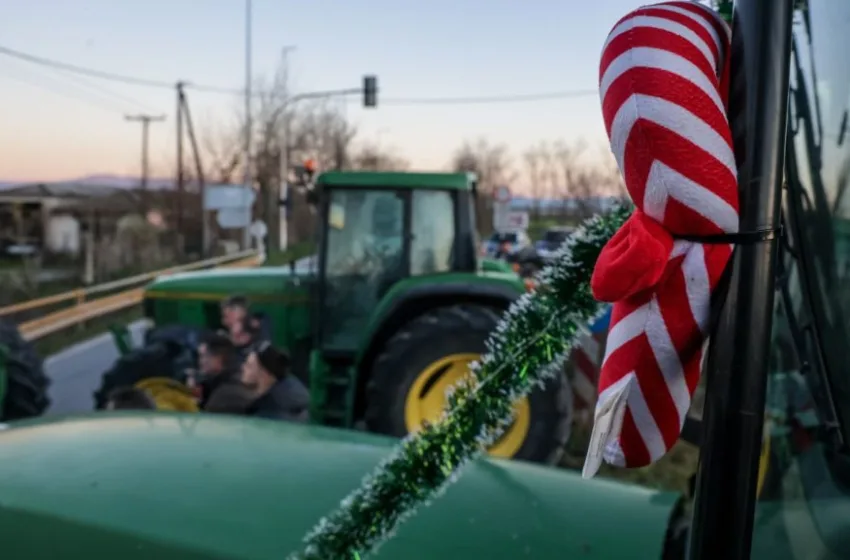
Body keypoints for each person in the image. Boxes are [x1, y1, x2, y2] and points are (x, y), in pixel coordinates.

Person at [240, 341, 309, 422]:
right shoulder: (289, 393)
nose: (242, 368)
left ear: (264, 373)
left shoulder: (273, 413)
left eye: (249, 366)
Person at [196, 332, 239, 409]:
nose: (200, 362)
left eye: (204, 356)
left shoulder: (224, 393)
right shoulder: (210, 386)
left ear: (218, 358)